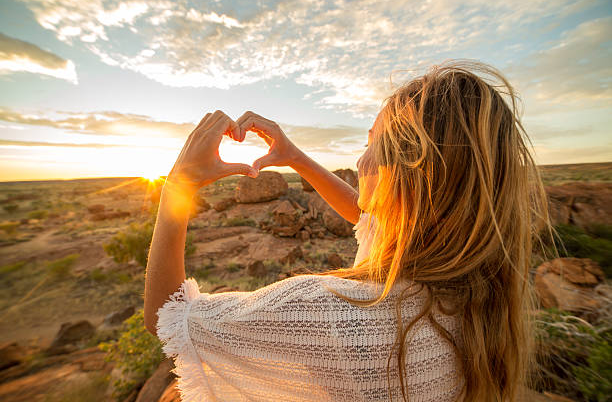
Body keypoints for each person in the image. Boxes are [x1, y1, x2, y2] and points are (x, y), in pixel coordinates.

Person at [143, 60, 555, 402]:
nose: (360, 162)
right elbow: (368, 219)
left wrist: (177, 187)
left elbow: (168, 315)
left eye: (372, 143)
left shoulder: (330, 311)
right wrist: (294, 157)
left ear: (409, 171)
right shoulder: (475, 291)